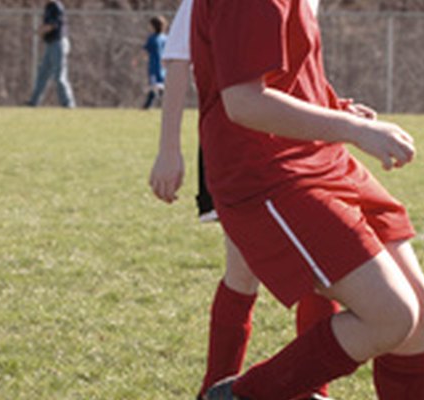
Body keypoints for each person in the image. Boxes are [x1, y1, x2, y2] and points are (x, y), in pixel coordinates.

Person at [190, 0, 424, 399]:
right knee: (392, 315)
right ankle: (242, 395)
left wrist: (333, 107)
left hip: (320, 159)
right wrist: (352, 129)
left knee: (420, 315)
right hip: (269, 177)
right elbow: (243, 100)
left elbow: (282, 77)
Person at [149, 1, 344, 399]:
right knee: (243, 272)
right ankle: (217, 388)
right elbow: (178, 58)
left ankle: (312, 389)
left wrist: (338, 111)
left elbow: (298, 70)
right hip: (239, 154)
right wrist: (169, 149)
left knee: (319, 275)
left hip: (299, 149)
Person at [27, 0, 76, 108]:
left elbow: (52, 25)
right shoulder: (48, 6)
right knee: (43, 74)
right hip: (50, 44)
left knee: (59, 76)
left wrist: (38, 31)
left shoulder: (56, 6)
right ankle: (34, 102)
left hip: (58, 43)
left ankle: (68, 103)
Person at [141, 16, 168, 109]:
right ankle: (154, 103)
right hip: (164, 66)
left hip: (154, 65)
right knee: (160, 84)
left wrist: (138, 59)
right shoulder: (165, 38)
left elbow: (145, 51)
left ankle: (148, 105)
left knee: (154, 85)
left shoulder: (152, 38)